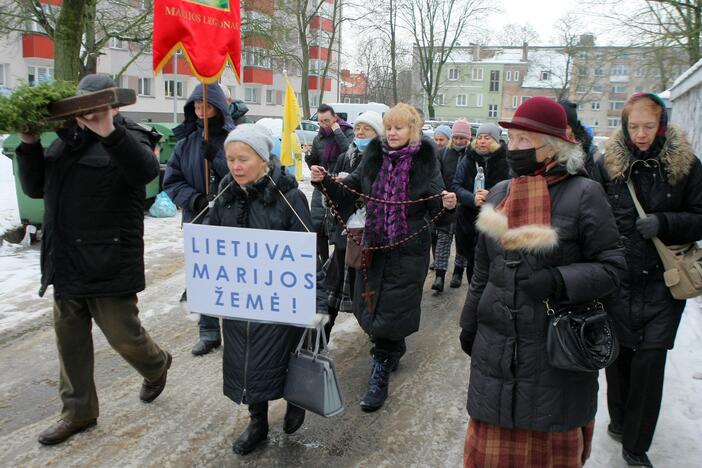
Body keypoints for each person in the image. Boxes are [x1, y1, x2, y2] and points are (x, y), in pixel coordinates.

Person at [459, 96, 626, 467]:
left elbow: (613, 268)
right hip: (497, 356)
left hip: (555, 359)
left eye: (523, 140)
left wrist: (558, 280)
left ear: (552, 146)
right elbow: (483, 271)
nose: (513, 148)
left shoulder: (584, 194)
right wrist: (469, 323)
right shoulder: (501, 193)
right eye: (512, 139)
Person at [15, 74, 172, 445]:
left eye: (97, 105)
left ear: (113, 105)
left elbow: (146, 173)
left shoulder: (132, 137)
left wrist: (109, 131)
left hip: (108, 260)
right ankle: (78, 412)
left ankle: (157, 365)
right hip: (65, 259)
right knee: (70, 343)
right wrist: (28, 143)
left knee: (125, 338)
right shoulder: (66, 142)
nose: (86, 113)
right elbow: (36, 188)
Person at [311, 103, 457, 412]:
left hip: (408, 251)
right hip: (374, 246)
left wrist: (448, 206)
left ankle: (380, 368)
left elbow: (438, 213)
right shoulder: (373, 158)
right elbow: (350, 190)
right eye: (389, 127)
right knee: (372, 304)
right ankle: (392, 348)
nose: (392, 132)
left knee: (392, 308)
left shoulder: (426, 163)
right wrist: (326, 181)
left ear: (412, 130)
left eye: (399, 127)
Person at [592, 93, 702, 467]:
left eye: (649, 127)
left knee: (650, 363)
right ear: (624, 126)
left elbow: (701, 215)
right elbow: (588, 214)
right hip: (618, 279)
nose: (641, 135)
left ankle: (636, 447)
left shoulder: (686, 166)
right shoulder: (605, 165)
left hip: (663, 281)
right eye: (634, 126)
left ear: (662, 126)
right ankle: (620, 421)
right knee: (618, 356)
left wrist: (666, 222)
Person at [207, 124, 327, 455]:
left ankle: (296, 399)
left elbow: (307, 251)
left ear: (263, 159)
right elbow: (213, 245)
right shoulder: (224, 196)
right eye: (230, 159)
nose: (235, 166)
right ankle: (257, 421)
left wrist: (316, 301)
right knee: (247, 361)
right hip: (240, 301)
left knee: (281, 356)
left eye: (243, 159)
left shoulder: (288, 197)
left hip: (280, 302)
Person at [163, 83, 235, 356]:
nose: (200, 111)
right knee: (202, 276)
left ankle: (235, 328)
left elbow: (242, 172)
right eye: (196, 106)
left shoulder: (233, 138)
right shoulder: (185, 143)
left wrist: (216, 157)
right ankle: (208, 331)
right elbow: (172, 180)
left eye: (205, 105)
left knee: (230, 275)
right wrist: (194, 200)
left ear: (218, 106)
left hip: (230, 219)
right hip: (198, 219)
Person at [323, 111, 384, 340]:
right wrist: (328, 185)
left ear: (378, 134)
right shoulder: (345, 157)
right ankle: (320, 340)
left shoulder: (383, 161)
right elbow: (336, 198)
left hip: (369, 236)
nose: (359, 133)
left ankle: (380, 342)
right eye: (357, 128)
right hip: (345, 233)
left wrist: (357, 191)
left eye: (366, 129)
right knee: (332, 289)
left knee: (367, 293)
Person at [451, 122, 509, 288]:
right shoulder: (468, 159)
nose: (482, 141)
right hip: (469, 222)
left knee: (493, 264)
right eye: (479, 137)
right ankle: (473, 294)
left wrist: (491, 196)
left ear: (496, 141)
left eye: (487, 138)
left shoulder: (505, 161)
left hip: (495, 222)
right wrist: (471, 198)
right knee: (472, 263)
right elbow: (455, 185)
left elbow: (511, 189)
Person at [305, 104, 354, 264]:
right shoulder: (318, 137)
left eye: (327, 120)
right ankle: (323, 261)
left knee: (335, 226)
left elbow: (348, 153)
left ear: (334, 118)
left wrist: (337, 131)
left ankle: (336, 263)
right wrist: (308, 156)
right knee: (318, 225)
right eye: (320, 122)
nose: (323, 124)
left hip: (338, 182)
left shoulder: (347, 131)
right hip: (320, 185)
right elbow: (314, 162)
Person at [431, 119, 472, 292]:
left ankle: (458, 272)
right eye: (456, 137)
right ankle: (439, 275)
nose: (458, 141)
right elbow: (437, 177)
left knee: (462, 242)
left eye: (462, 138)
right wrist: (442, 196)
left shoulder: (472, 156)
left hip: (465, 205)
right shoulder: (443, 155)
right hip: (446, 204)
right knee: (443, 240)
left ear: (468, 139)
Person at [559, 99, 597, 177]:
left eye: (565, 127)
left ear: (573, 130)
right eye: (556, 126)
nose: (559, 132)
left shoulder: (586, 152)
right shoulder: (543, 149)